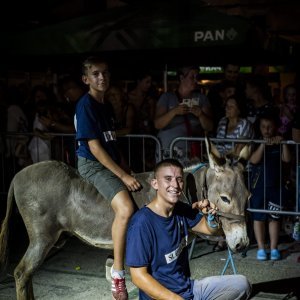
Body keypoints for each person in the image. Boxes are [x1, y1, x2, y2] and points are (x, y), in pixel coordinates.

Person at [126, 158, 251, 300]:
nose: (175, 185)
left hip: (189, 289)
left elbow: (209, 230)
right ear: (155, 183)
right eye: (168, 179)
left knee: (241, 284)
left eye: (179, 179)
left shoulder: (181, 209)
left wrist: (211, 216)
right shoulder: (141, 222)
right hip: (163, 297)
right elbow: (138, 277)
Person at [74, 56, 141, 300]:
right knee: (125, 209)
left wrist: (126, 167)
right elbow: (95, 148)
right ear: (86, 79)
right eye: (95, 74)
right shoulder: (85, 105)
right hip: (92, 165)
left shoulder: (106, 105)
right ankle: (118, 274)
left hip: (108, 162)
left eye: (105, 73)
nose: (102, 77)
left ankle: (121, 257)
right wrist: (121, 175)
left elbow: (111, 142)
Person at [249, 112, 291, 261]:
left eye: (269, 127)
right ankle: (261, 248)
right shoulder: (256, 141)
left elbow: (287, 159)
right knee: (258, 218)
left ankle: (274, 248)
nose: (266, 130)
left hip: (276, 187)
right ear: (259, 127)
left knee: (274, 218)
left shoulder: (279, 142)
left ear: (275, 128)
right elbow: (254, 160)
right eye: (263, 127)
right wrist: (262, 145)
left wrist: (284, 143)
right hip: (259, 187)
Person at [154, 65, 213, 165]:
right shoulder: (167, 97)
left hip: (192, 152)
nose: (195, 80)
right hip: (168, 150)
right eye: (192, 77)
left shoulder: (202, 98)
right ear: (181, 78)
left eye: (197, 77)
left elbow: (210, 126)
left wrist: (201, 115)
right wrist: (174, 112)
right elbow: (157, 124)